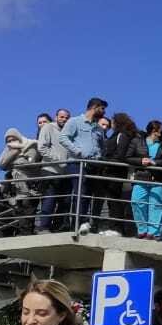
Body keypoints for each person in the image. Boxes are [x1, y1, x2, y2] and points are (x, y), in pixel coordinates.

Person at [60, 97, 109, 229]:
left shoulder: (98, 128)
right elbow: (63, 138)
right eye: (102, 109)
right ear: (94, 107)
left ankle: (83, 224)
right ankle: (77, 223)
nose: (104, 112)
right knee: (80, 192)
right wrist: (78, 152)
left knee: (87, 195)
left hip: (94, 166)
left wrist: (100, 158)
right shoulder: (75, 121)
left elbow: (102, 147)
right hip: (78, 164)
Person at [129, 119, 162, 241]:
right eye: (161, 130)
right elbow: (128, 157)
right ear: (154, 130)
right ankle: (142, 230)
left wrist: (155, 162)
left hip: (158, 179)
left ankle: (153, 233)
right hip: (141, 177)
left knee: (156, 206)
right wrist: (141, 161)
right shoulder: (137, 141)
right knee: (136, 202)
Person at [33, 110, 70, 232]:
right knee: (49, 199)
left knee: (65, 200)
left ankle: (58, 226)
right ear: (56, 117)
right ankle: (43, 226)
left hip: (64, 173)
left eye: (66, 117)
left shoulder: (68, 131)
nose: (64, 119)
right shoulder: (48, 127)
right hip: (50, 170)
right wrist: (59, 160)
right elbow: (42, 148)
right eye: (61, 117)